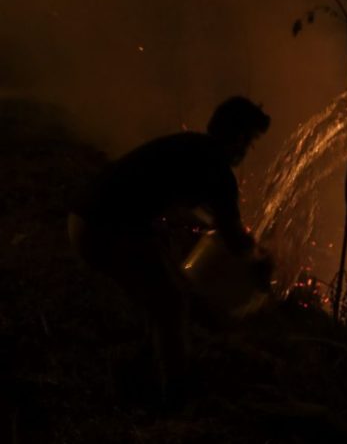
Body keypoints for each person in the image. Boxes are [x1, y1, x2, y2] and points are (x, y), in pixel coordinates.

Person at [68, 96, 270, 400]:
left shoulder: (190, 145)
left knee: (163, 292)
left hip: (85, 218)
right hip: (105, 227)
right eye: (249, 141)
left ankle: (142, 370)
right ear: (238, 136)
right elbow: (231, 235)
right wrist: (259, 264)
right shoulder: (217, 168)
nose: (247, 150)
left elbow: (186, 202)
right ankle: (176, 396)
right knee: (170, 302)